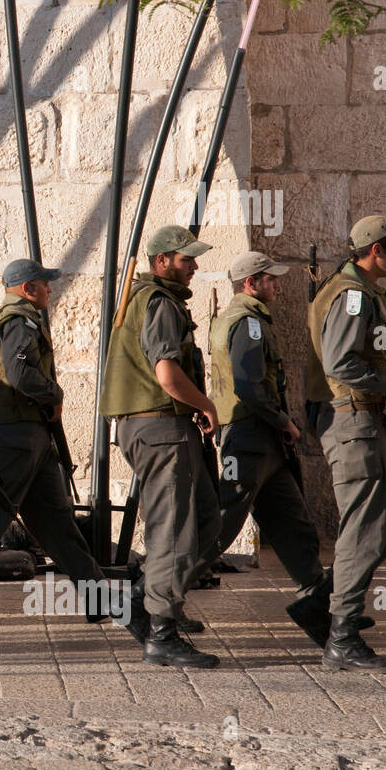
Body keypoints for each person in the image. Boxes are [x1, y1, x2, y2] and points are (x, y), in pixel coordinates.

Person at [0, 258, 147, 641]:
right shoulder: (18, 319)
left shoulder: (16, 317)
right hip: (18, 434)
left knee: (58, 525)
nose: (49, 289)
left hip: (29, 436)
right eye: (44, 284)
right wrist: (54, 393)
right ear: (27, 288)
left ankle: (99, 597)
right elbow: (20, 374)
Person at [198, 251, 349, 647]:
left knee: (293, 523)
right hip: (250, 438)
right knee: (220, 526)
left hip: (262, 441)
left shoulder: (241, 318)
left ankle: (316, 605)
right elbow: (249, 388)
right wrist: (284, 422)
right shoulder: (247, 323)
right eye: (270, 279)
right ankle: (155, 596)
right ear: (251, 283)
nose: (277, 284)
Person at [99, 226, 220, 667]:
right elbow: (167, 374)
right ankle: (162, 634)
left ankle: (142, 599)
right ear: (161, 261)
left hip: (158, 429)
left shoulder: (145, 299)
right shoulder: (160, 303)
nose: (193, 266)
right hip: (161, 430)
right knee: (174, 531)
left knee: (207, 522)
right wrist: (206, 405)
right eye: (185, 259)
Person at [305, 215, 386, 673]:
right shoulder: (352, 295)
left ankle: (329, 603)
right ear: (375, 251)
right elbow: (339, 362)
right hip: (351, 423)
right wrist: (385, 380)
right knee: (364, 528)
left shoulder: (358, 289)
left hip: (363, 420)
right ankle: (342, 636)